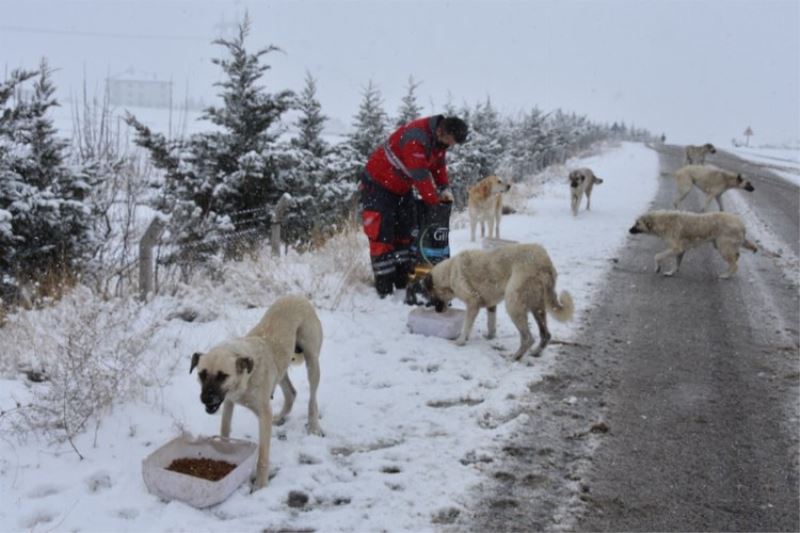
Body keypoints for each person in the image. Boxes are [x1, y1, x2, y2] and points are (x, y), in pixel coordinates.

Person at [359, 115, 469, 297]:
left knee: (406, 231)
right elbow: (420, 175)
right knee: (382, 234)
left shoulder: (439, 141)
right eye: (450, 142)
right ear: (442, 131)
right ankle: (384, 288)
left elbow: (438, 165)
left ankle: (402, 280)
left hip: (401, 187)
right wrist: (434, 204)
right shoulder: (416, 138)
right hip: (377, 185)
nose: (450, 146)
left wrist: (443, 188)